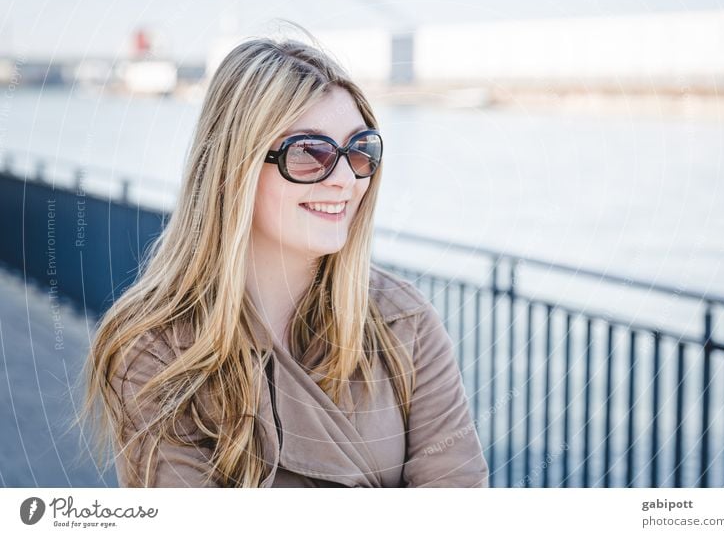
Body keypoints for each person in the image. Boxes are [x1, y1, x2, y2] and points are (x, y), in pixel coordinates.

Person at [81, 28, 489, 488]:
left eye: (360, 151)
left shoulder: (405, 322)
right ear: (236, 167)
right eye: (310, 153)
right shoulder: (157, 349)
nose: (344, 179)